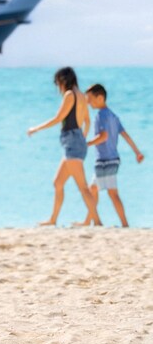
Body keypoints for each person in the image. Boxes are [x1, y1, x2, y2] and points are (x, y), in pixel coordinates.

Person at [28, 67, 100, 226]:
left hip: (72, 143)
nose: (57, 86)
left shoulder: (69, 95)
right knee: (58, 182)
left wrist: (36, 128)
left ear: (63, 80)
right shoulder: (81, 95)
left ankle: (98, 221)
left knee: (83, 187)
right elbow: (87, 121)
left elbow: (58, 118)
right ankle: (53, 220)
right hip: (76, 141)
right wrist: (82, 137)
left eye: (57, 82)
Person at [85, 84, 144, 228]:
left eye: (90, 99)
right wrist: (137, 152)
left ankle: (122, 223)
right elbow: (125, 135)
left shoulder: (101, 115)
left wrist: (86, 144)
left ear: (100, 98)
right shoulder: (113, 116)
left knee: (109, 192)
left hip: (104, 160)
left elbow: (103, 136)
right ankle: (92, 221)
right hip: (112, 160)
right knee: (95, 189)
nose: (88, 102)